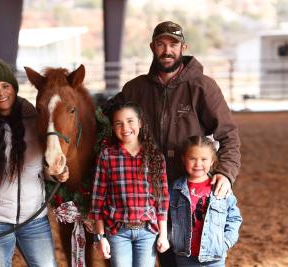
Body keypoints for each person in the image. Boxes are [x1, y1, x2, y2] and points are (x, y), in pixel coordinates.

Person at [113, 21, 241, 266]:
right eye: (161, 44)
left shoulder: (203, 87)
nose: (167, 50)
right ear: (152, 47)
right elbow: (108, 122)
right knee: (157, 255)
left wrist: (225, 172)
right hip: (147, 192)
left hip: (189, 190)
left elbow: (229, 134)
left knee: (187, 254)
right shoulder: (134, 89)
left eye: (173, 44)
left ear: (183, 47)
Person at [0, 60, 68, 267]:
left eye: (5, 86)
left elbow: (41, 167)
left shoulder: (35, 119)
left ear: (14, 87)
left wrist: (56, 174)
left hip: (34, 219)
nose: (1, 94)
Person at [89, 102, 170, 267]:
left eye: (130, 121)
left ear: (140, 123)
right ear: (113, 127)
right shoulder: (107, 155)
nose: (125, 127)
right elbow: (97, 201)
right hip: (118, 232)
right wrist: (100, 237)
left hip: (147, 231)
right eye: (118, 123)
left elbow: (162, 199)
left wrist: (163, 234)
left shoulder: (154, 155)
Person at [170, 136, 242, 267]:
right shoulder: (176, 189)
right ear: (183, 159)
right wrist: (173, 239)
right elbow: (166, 216)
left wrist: (225, 242)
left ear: (212, 161)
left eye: (204, 159)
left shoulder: (220, 187)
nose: (198, 164)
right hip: (185, 257)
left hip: (214, 257)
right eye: (192, 158)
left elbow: (234, 218)